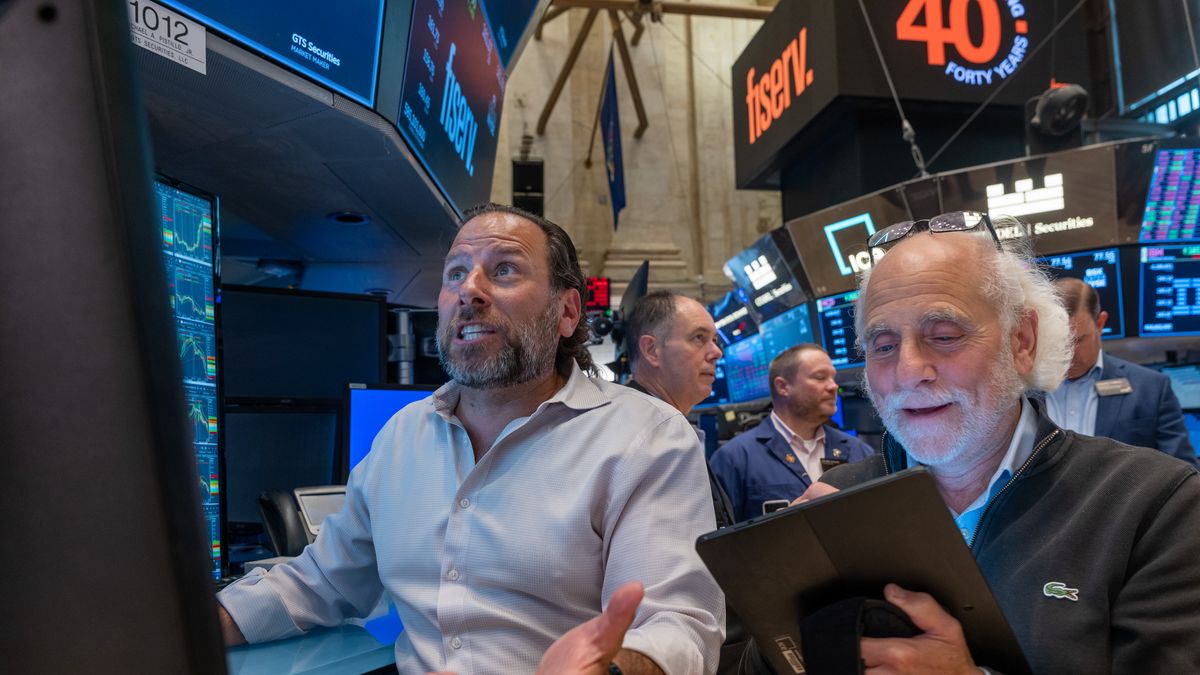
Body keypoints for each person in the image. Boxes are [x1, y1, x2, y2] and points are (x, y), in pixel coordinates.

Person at [216, 204, 724, 674]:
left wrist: (612, 667)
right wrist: (195, 619)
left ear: (567, 312)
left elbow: (679, 625)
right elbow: (323, 581)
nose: (470, 290)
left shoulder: (648, 438)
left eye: (504, 270)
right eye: (456, 272)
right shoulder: (402, 437)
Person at [794, 216, 1200, 672]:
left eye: (944, 336)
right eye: (884, 345)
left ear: (1022, 341)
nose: (908, 371)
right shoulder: (836, 500)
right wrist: (793, 580)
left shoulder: (1152, 504)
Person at [709, 344, 875, 522]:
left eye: (833, 378)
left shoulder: (860, 452)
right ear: (783, 387)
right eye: (820, 377)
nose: (833, 386)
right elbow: (722, 538)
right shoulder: (735, 457)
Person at [1043, 277, 1198, 468]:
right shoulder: (1023, 391)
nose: (1067, 352)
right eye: (1058, 340)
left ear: (1100, 323)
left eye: (1078, 340)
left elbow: (1183, 474)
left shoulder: (1151, 388)